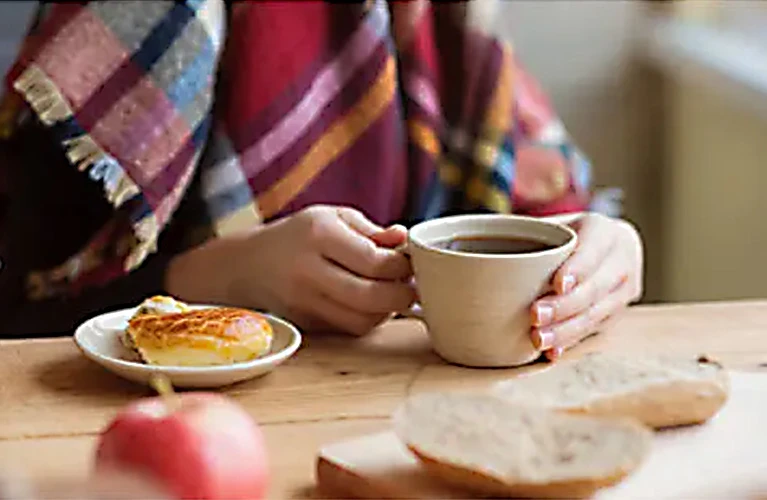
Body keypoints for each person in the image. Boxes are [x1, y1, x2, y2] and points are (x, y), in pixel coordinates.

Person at [0, 0, 642, 361]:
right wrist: (223, 277)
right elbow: (20, 315)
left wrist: (612, 252)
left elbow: (557, 210)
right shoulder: (137, 17)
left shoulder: (446, 20)